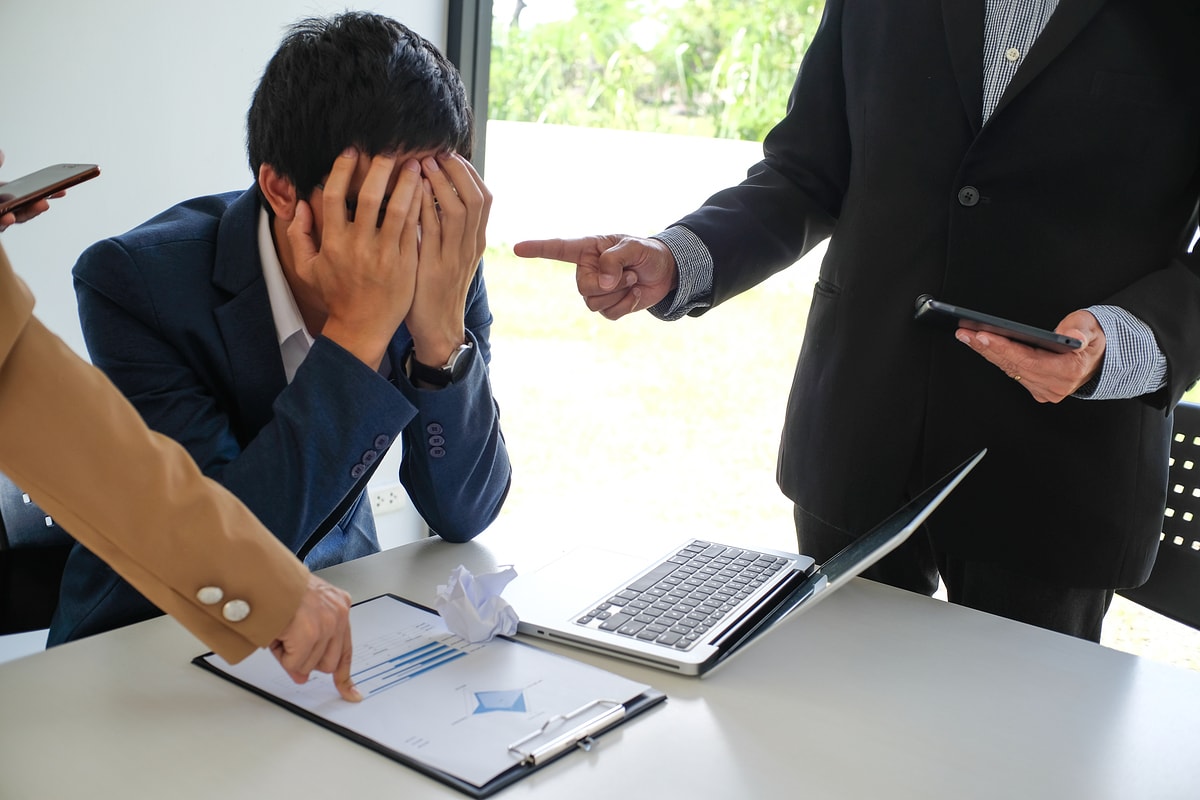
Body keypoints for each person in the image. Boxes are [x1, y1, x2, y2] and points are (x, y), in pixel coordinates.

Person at [516, 1, 1200, 641]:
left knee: (1022, 731)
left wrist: (1122, 344)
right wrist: (679, 257)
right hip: (861, 431)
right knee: (828, 720)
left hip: (1057, 468)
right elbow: (807, 172)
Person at [50, 12, 511, 644]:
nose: (412, 236)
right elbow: (220, 555)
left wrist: (441, 345)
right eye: (382, 207)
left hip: (341, 612)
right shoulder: (135, 284)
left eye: (431, 198)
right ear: (281, 189)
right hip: (151, 632)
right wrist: (357, 333)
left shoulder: (442, 261)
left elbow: (465, 512)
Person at [0, 150, 359, 700]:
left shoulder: (431, 255)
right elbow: (74, 432)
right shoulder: (135, 274)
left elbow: (52, 410)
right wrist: (360, 332)